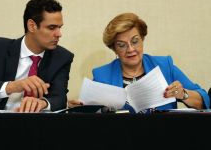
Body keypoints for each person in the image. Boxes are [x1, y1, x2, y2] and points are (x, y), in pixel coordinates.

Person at [68, 12, 209, 112]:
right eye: (121, 45)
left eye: (135, 41)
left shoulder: (164, 66)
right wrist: (79, 110)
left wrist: (183, 94)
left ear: (142, 39)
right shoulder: (102, 75)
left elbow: (204, 100)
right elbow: (91, 115)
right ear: (114, 49)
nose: (130, 49)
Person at [0, 0, 74, 113]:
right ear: (32, 26)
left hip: (38, 126)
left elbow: (60, 97)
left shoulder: (62, 57)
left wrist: (42, 103)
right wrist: (11, 86)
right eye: (52, 27)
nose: (59, 34)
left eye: (60, 27)